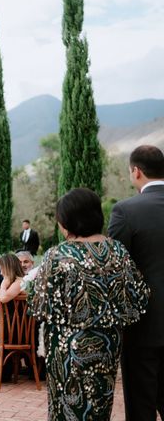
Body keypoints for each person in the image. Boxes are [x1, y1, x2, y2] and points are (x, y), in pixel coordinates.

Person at [30, 187, 149, 421]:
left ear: (67, 222)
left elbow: (39, 304)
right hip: (108, 344)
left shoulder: (58, 254)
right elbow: (140, 295)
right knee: (99, 402)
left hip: (68, 347)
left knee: (67, 406)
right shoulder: (118, 251)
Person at [107, 145, 164, 420]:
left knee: (141, 407)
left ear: (136, 171)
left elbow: (114, 266)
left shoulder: (126, 210)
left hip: (143, 325)